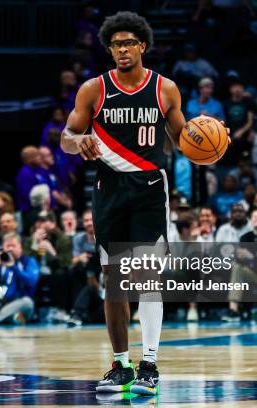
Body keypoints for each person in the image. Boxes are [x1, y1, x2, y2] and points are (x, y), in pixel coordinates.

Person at [60, 11, 220, 396]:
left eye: (129, 42)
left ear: (143, 46)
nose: (122, 49)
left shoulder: (165, 89)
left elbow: (185, 139)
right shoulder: (93, 90)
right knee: (113, 285)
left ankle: (150, 365)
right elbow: (66, 135)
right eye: (116, 44)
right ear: (109, 50)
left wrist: (213, 138)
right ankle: (122, 366)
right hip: (109, 189)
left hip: (149, 189)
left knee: (146, 279)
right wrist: (75, 141)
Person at [222, 209, 257, 322]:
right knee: (237, 267)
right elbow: (240, 258)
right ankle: (233, 310)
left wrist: (251, 257)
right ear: (251, 222)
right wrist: (245, 257)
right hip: (252, 273)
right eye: (255, 217)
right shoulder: (245, 238)